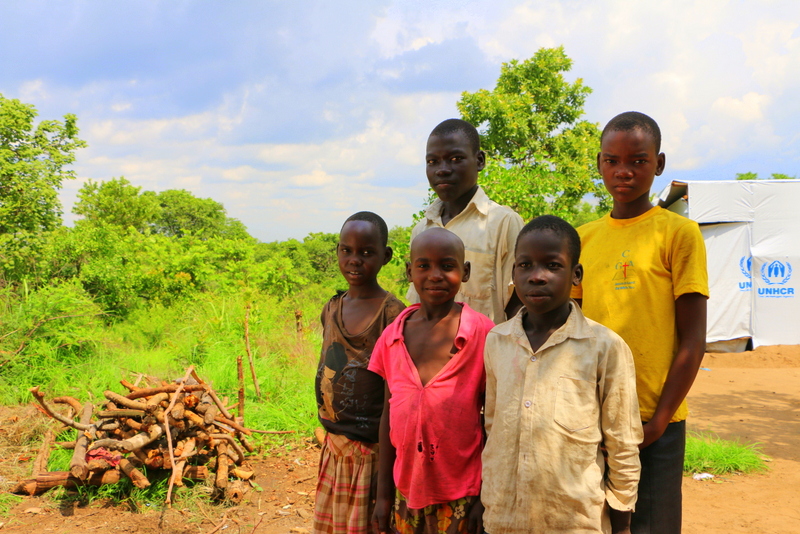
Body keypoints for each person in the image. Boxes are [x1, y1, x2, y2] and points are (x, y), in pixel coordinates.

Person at [572, 112, 709, 534]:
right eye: (612, 161)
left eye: (638, 161)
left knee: (653, 525)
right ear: (599, 164)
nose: (624, 172)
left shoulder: (679, 234)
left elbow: (693, 340)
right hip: (591, 418)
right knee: (593, 523)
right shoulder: (582, 239)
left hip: (656, 420)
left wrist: (659, 421)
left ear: (659, 163)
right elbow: (573, 333)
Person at [482, 215, 643, 534]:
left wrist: (622, 524)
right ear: (513, 272)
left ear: (576, 274)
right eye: (525, 265)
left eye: (552, 266)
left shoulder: (604, 347)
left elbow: (622, 442)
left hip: (573, 522)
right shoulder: (497, 341)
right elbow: (493, 426)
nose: (536, 276)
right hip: (502, 519)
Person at [369, 227, 495, 534]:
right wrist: (383, 496)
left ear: (464, 272)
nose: (435, 275)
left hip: (462, 493)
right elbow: (389, 415)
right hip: (405, 490)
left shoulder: (484, 334)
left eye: (447, 266)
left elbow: (495, 420)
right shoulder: (393, 336)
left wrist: (486, 496)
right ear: (409, 271)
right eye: (424, 266)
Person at [313, 211, 406, 534]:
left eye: (367, 252)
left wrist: (386, 482)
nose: (355, 260)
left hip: (372, 453)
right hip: (335, 447)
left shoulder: (394, 314)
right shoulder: (332, 307)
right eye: (346, 250)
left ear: (386, 256)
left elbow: (396, 395)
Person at [407, 118, 524, 323]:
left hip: (484, 352)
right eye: (432, 161)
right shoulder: (421, 230)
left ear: (479, 161)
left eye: (455, 159)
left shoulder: (503, 224)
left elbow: (518, 305)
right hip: (427, 351)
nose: (442, 169)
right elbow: (417, 305)